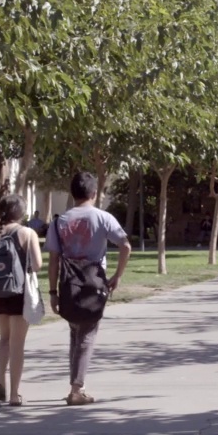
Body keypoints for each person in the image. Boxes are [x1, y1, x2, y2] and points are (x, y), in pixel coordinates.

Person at [48, 172, 132, 406]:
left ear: (72, 194)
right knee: (86, 334)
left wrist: (53, 292)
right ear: (94, 194)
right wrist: (117, 275)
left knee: (76, 332)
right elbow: (125, 245)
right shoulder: (103, 218)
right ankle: (77, 389)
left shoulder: (58, 222)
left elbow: (53, 260)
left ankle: (77, 386)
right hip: (94, 283)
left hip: (68, 285)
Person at [0, 194, 42, 407]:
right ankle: (14, 394)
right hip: (18, 292)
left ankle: (1, 380)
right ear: (21, 212)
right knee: (17, 344)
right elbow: (38, 264)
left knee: (4, 338)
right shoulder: (27, 233)